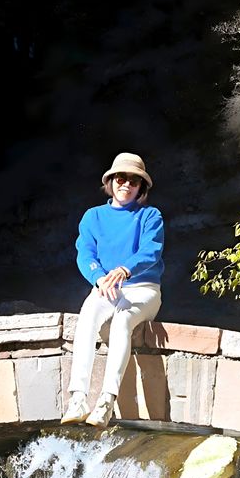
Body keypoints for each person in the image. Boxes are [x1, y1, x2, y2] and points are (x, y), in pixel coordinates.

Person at [61, 152, 165, 428]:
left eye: (134, 181)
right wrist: (98, 278)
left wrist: (125, 269)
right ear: (110, 182)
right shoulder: (93, 216)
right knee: (87, 315)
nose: (126, 184)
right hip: (106, 287)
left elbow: (151, 251)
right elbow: (85, 254)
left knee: (122, 322)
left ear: (141, 187)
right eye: (121, 178)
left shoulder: (149, 215)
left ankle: (106, 401)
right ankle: (78, 398)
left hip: (143, 289)